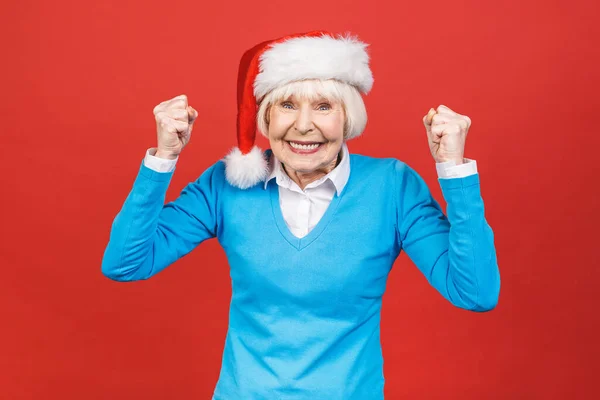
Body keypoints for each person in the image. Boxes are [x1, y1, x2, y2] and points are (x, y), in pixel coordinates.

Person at [101, 30, 500, 400]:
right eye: (287, 105)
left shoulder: (393, 187)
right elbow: (126, 263)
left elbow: (474, 292)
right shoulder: (227, 185)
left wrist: (454, 169)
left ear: (348, 118)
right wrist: (164, 158)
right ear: (266, 118)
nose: (303, 125)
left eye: (324, 106)